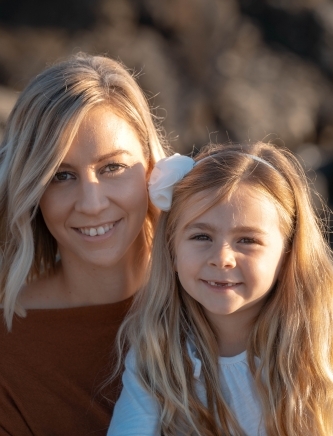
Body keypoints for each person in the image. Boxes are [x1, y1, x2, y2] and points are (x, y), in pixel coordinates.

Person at [108, 143, 333, 436]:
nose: (222, 258)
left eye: (247, 240)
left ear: (288, 253)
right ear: (171, 248)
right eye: (201, 236)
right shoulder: (157, 354)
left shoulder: (320, 348)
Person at [0, 53, 167, 436]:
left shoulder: (220, 293)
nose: (92, 203)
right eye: (61, 175)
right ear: (33, 190)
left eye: (113, 167)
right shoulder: (9, 348)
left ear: (152, 165)